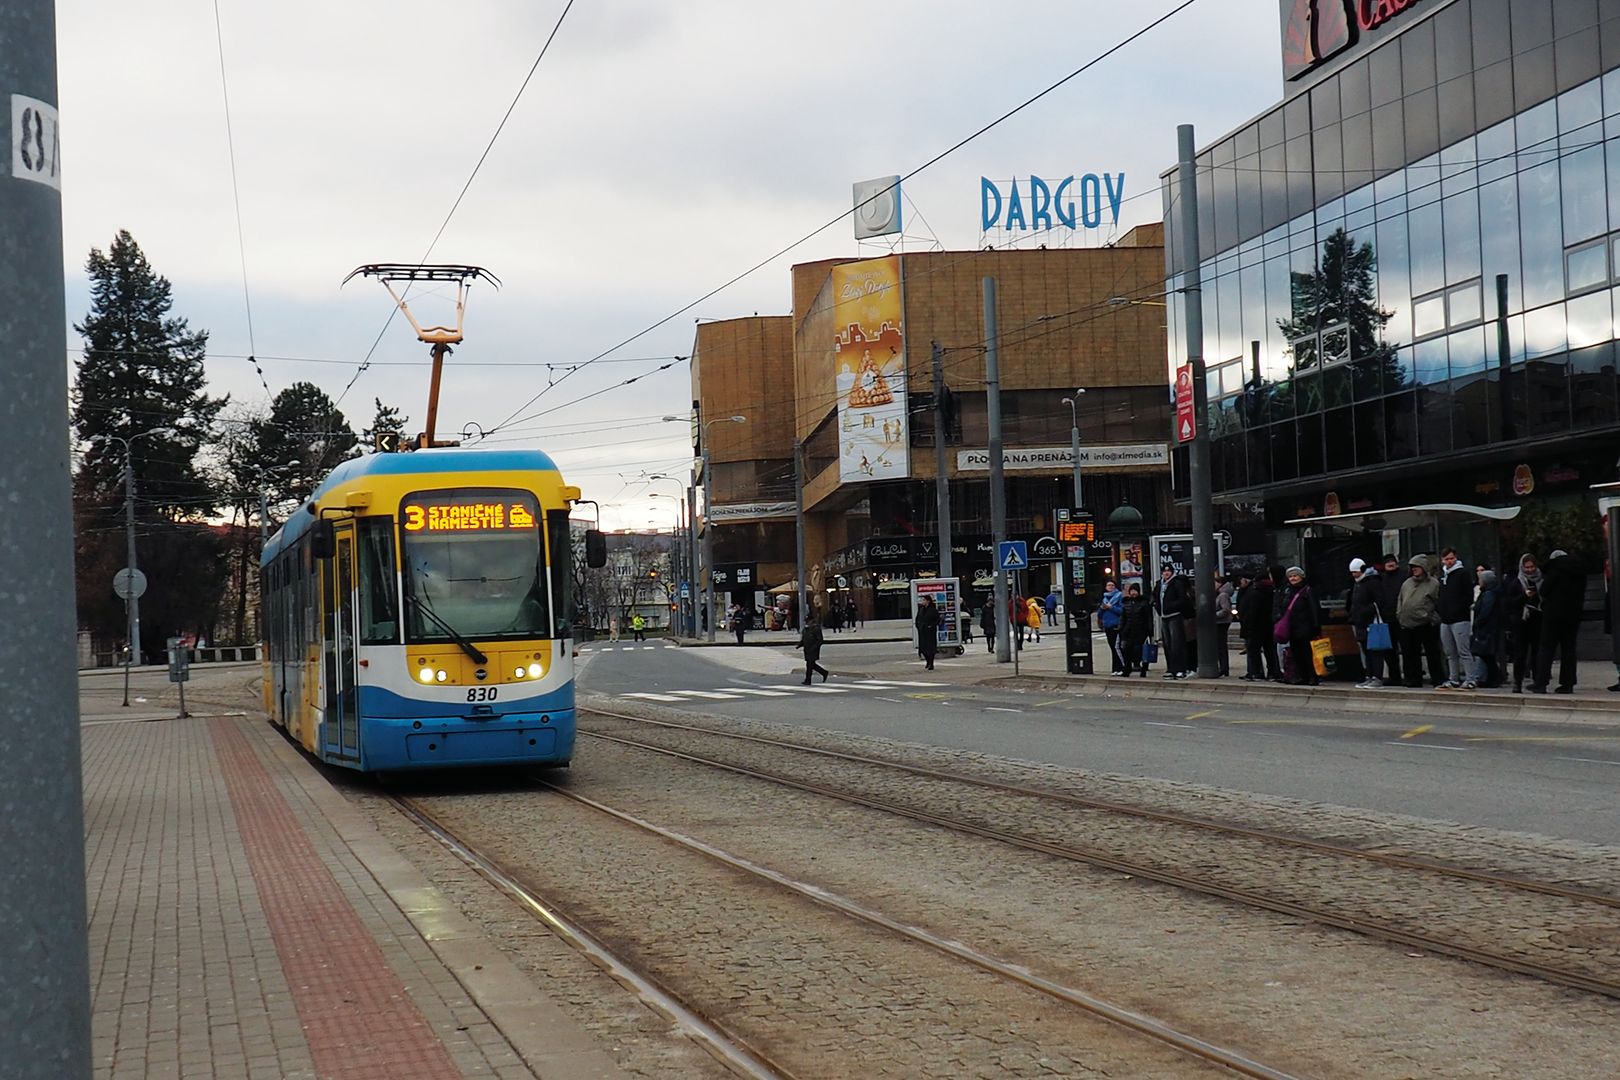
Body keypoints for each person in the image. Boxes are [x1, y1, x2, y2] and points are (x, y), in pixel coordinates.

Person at [1532, 548, 1584, 694]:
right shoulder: (1579, 571)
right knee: (1569, 649)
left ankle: (1541, 683)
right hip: (1573, 614)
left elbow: (1544, 590)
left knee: (1546, 647)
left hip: (1553, 614)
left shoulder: (1555, 570)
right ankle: (1567, 684)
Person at [1397, 554, 1446, 688]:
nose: (1414, 570)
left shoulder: (1433, 583)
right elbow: (1400, 600)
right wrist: (1400, 614)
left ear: (1424, 568)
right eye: (1412, 567)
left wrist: (1431, 617)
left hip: (1426, 623)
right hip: (1407, 624)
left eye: (1417, 567)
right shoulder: (1407, 583)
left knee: (1432, 653)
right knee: (1410, 654)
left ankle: (1437, 678)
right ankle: (1413, 679)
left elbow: (1438, 603)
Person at [1502, 553, 1543, 694]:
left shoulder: (1541, 579)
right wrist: (1524, 596)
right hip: (1521, 621)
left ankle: (1539, 681)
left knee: (1538, 652)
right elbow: (1510, 603)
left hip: (1538, 619)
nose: (1530, 570)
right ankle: (1517, 682)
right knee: (1520, 653)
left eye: (1532, 567)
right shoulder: (1516, 582)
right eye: (1527, 567)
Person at [1436, 547, 1476, 689]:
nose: (1449, 561)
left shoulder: (1463, 573)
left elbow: (1468, 596)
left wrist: (1458, 609)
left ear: (1456, 558)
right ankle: (1453, 678)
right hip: (1445, 620)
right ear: (1442, 561)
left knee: (1463, 650)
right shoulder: (1443, 576)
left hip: (1460, 619)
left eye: (1451, 558)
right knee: (1450, 652)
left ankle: (1470, 678)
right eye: (1446, 559)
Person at [1349, 557, 1392, 688]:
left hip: (1372, 622)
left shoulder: (1372, 582)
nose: (1354, 575)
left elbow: (1380, 601)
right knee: (1366, 650)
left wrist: (1365, 611)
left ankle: (1377, 677)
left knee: (1375, 651)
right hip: (1360, 622)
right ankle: (1369, 675)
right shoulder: (1357, 584)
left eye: (1355, 572)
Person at [1276, 566, 1321, 685]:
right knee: (1297, 654)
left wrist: (1316, 627)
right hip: (1292, 628)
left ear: (1301, 577)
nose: (1293, 578)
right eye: (1290, 576)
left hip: (1306, 628)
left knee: (1308, 654)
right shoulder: (1287, 591)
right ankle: (1302, 676)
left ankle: (1312, 676)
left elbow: (1314, 610)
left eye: (1295, 576)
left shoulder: (1307, 590)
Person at [1239, 570, 1279, 681]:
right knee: (1270, 651)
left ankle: (1255, 673)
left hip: (1255, 627)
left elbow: (1250, 612)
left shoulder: (1253, 592)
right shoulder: (1272, 591)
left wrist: (1248, 626)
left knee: (1253, 651)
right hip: (1269, 626)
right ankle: (1273, 673)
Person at [1152, 566, 1190, 678]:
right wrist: (1156, 605)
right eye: (1164, 571)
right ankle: (1170, 668)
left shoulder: (1177, 583)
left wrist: (1171, 606)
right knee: (1167, 644)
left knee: (1177, 644)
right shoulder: (1159, 584)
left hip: (1174, 615)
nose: (1166, 573)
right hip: (1164, 617)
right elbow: (1155, 596)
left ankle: (1180, 669)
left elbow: (1182, 599)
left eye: (1168, 571)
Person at [1469, 570, 1504, 689]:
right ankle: (1493, 677)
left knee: (1486, 655)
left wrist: (1478, 621)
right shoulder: (1491, 592)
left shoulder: (1489, 594)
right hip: (1489, 627)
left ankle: (1496, 677)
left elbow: (1485, 611)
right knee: (1487, 655)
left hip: (1487, 628)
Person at [1377, 554, 1406, 686]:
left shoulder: (1404, 576)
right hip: (1387, 618)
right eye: (1388, 563)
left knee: (1406, 649)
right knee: (1389, 651)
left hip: (1402, 618)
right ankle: (1395, 676)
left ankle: (1409, 675)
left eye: (1392, 563)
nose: (1390, 565)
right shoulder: (1382, 579)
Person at [1120, 583, 1154, 676]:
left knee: (1139, 650)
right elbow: (1123, 618)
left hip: (1141, 630)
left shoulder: (1144, 603)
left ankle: (1142, 668)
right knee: (1127, 650)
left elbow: (1148, 618)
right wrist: (1122, 629)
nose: (1133, 593)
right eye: (1132, 591)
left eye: (1135, 591)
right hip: (1128, 630)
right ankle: (1127, 668)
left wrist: (1150, 631)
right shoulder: (1126, 603)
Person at [1097, 580, 1125, 674]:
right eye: (1108, 585)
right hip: (1107, 624)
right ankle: (1115, 668)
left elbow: (1122, 611)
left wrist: (1111, 607)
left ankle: (1121, 667)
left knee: (1117, 646)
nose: (1110, 587)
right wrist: (1102, 608)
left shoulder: (1119, 596)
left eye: (1112, 585)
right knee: (1112, 647)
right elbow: (1099, 614)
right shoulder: (1104, 598)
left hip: (1116, 624)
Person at [794, 614, 829, 684]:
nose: (807, 622)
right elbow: (804, 639)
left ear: (812, 621)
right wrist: (799, 645)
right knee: (812, 665)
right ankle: (824, 672)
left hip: (813, 650)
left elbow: (820, 640)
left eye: (808, 621)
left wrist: (814, 647)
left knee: (809, 665)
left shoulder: (816, 628)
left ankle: (808, 680)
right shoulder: (806, 629)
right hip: (807, 649)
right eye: (806, 621)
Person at [1213, 573, 1235, 677]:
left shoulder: (1222, 595)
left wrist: (1213, 615)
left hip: (1222, 622)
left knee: (1221, 646)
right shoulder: (1218, 594)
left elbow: (1225, 610)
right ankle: (1222, 667)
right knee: (1219, 646)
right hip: (1219, 622)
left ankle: (1223, 668)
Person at [914, 595, 941, 671]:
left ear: (928, 601)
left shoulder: (933, 610)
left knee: (930, 649)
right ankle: (927, 661)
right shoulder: (921, 609)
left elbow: (937, 620)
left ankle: (931, 663)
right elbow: (917, 619)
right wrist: (918, 626)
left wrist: (931, 626)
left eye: (924, 600)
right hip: (922, 631)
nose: (923, 602)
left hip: (930, 632)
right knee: (923, 648)